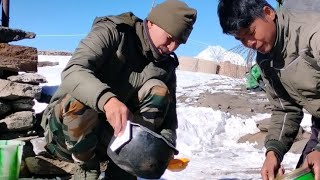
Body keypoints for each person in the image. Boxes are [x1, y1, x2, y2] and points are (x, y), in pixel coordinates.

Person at [40, 0, 197, 179]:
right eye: (170, 37)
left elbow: (168, 118)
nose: (172, 47)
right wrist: (107, 100)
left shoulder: (165, 64)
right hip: (67, 134)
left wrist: (165, 148)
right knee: (78, 100)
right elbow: (73, 71)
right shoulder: (114, 31)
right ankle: (86, 170)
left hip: (112, 140)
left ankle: (124, 166)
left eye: (178, 42)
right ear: (152, 23)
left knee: (159, 90)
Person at [217, 0, 320, 179]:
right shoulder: (266, 61)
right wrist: (273, 152)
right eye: (240, 39)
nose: (249, 43)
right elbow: (285, 108)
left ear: (268, 13)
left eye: (250, 33)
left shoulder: (313, 32)